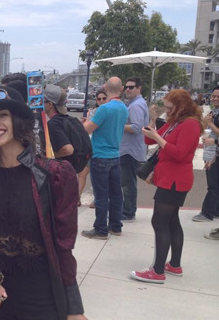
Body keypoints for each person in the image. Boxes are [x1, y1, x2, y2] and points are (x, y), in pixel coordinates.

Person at [0, 85, 91, 320]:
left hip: (42, 297)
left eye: (2, 115)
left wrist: (74, 308)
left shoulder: (55, 175)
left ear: (19, 121)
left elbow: (63, 247)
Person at [130, 89, 203, 283]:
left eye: (170, 108)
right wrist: (153, 121)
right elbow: (148, 139)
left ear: (182, 107)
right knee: (171, 221)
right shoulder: (175, 123)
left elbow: (179, 153)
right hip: (169, 177)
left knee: (160, 222)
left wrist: (158, 138)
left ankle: (157, 270)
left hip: (176, 179)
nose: (168, 112)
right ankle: (174, 264)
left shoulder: (190, 124)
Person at [81, 77, 128, 239]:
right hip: (115, 154)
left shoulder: (104, 109)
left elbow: (87, 130)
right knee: (116, 194)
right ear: (121, 89)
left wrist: (86, 121)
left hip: (100, 155)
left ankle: (100, 229)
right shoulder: (123, 107)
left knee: (101, 195)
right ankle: (115, 226)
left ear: (105, 87)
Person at [120, 77, 150, 221]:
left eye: (131, 87)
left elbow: (136, 127)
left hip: (129, 151)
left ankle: (128, 211)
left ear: (139, 88)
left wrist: (117, 125)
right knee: (127, 181)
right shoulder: (134, 103)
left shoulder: (135, 106)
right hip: (130, 149)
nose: (128, 89)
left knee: (128, 183)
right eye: (126, 87)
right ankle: (127, 209)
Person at [193, 85, 219, 222]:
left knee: (213, 184)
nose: (215, 99)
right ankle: (215, 210)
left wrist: (211, 124)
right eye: (213, 96)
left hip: (215, 153)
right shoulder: (215, 111)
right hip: (212, 151)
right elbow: (203, 126)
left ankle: (207, 212)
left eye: (218, 97)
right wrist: (205, 121)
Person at [84, 89, 108, 208]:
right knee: (84, 174)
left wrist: (87, 122)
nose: (102, 101)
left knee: (100, 178)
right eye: (99, 99)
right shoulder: (93, 111)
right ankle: (77, 198)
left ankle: (97, 200)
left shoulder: (107, 111)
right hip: (90, 145)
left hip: (102, 149)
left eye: (104, 98)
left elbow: (89, 127)